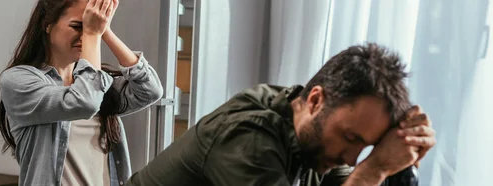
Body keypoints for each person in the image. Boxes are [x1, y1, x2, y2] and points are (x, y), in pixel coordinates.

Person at [126, 43, 436, 186]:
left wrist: (401, 165)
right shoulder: (249, 137)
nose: (352, 158)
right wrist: (373, 171)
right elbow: (361, 178)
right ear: (316, 100)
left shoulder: (313, 141)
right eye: (351, 138)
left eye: (364, 146)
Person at [0, 0, 163, 185]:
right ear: (47, 25)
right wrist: (91, 32)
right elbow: (85, 102)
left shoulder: (99, 83)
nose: (85, 35)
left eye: (90, 26)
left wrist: (103, 30)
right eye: (77, 26)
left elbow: (151, 90)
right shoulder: (18, 80)